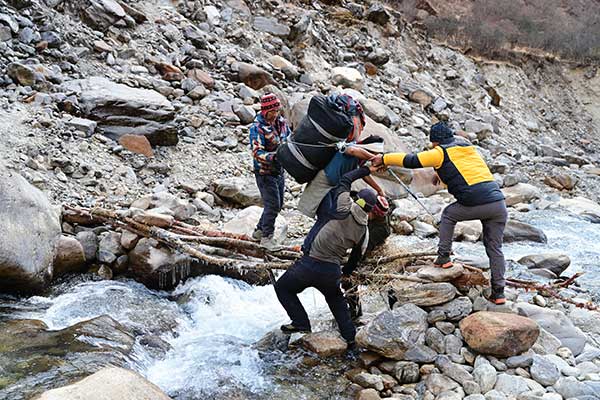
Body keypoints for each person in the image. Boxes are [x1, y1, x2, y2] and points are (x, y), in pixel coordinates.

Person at [372, 122, 508, 305]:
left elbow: (411, 160)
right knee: (495, 249)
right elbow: (465, 170)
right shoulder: (467, 148)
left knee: (449, 215)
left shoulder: (439, 152)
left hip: (476, 201)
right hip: (498, 204)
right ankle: (499, 293)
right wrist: (441, 173)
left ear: (435, 142)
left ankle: (443, 258)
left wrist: (385, 158)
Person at [274, 165, 381, 345]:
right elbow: (356, 258)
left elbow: (345, 180)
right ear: (370, 210)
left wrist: (365, 170)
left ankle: (301, 322)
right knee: (337, 303)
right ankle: (350, 340)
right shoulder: (364, 231)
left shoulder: (342, 207)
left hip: (309, 264)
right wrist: (345, 273)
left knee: (282, 288)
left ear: (357, 200)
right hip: (331, 272)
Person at [298, 135, 386, 219]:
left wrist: (379, 190)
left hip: (333, 187)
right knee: (323, 214)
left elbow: (364, 174)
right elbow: (352, 151)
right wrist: (375, 158)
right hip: (324, 181)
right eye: (376, 153)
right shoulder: (351, 146)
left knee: (327, 214)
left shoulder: (360, 159)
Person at [249, 94, 291, 249]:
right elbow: (257, 153)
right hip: (264, 173)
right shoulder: (257, 128)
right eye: (272, 111)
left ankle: (259, 230)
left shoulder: (282, 123)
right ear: (265, 111)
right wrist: (276, 157)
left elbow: (289, 140)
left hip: (279, 171)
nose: (275, 114)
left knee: (278, 205)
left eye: (277, 110)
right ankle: (267, 238)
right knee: (272, 205)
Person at [341, 195, 391, 320]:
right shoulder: (373, 213)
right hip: (363, 248)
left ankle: (355, 311)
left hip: (373, 256)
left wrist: (347, 270)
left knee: (383, 282)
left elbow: (361, 250)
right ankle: (355, 311)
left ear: (375, 213)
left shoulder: (381, 230)